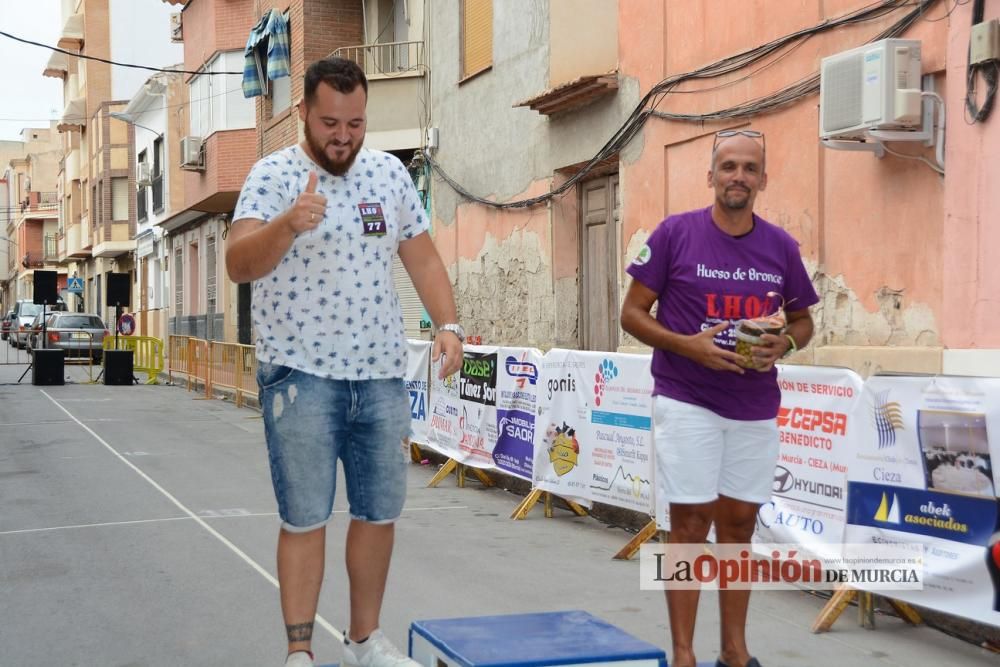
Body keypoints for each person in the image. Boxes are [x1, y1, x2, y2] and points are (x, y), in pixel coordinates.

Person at [226, 57, 463, 667]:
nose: (342, 136)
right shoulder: (272, 175)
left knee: (378, 511)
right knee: (305, 517)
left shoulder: (389, 174)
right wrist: (286, 225)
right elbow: (238, 264)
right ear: (304, 111)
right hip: (301, 375)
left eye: (355, 123)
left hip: (379, 373)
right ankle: (300, 651)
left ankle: (365, 641)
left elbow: (425, 260)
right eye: (330, 122)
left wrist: (450, 326)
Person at [620, 130, 819, 667]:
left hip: (754, 405)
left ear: (762, 179)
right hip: (688, 398)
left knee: (738, 526)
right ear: (710, 176)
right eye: (728, 167)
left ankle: (735, 652)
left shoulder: (780, 247)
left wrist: (788, 342)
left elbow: (803, 320)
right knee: (689, 524)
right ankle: (683, 655)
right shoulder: (673, 235)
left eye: (749, 168)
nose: (738, 177)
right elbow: (632, 313)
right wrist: (689, 347)